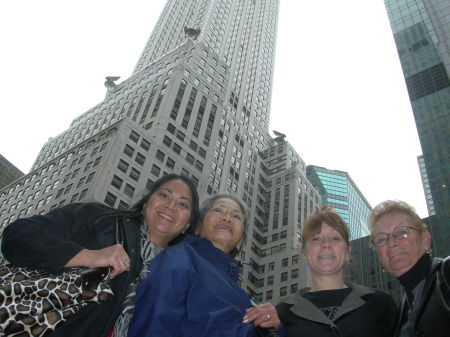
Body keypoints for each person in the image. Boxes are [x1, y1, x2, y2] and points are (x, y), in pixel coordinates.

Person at [1, 173, 200, 337]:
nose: (171, 206)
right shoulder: (96, 217)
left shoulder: (180, 278)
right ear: (147, 202)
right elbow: (17, 235)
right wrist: (86, 256)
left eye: (183, 204)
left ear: (188, 224)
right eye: (164, 195)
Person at [127, 194, 283, 337]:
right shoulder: (179, 257)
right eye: (218, 210)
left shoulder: (244, 296)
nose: (227, 218)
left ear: (240, 241)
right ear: (197, 227)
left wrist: (276, 326)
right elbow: (154, 321)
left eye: (236, 216)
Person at [276, 206, 397, 337]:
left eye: (335, 238)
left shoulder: (380, 303)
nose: (326, 244)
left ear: (348, 252)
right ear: (304, 252)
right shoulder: (281, 313)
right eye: (316, 238)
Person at [369, 200, 450, 337]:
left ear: (425, 240)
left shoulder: (447, 274)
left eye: (401, 232)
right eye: (381, 239)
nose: (392, 243)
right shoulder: (401, 312)